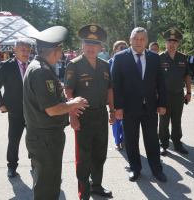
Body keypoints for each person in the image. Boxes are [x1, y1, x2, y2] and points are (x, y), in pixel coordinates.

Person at [24, 26, 89, 200]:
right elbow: (52, 109)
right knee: (48, 186)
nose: (61, 56)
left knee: (47, 181)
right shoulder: (41, 71)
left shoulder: (38, 67)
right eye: (60, 52)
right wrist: (73, 103)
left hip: (43, 136)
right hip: (46, 137)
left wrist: (69, 105)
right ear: (56, 51)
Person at [64, 24, 115, 200]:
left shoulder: (105, 65)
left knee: (100, 154)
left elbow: (110, 90)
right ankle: (84, 191)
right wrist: (72, 115)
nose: (91, 48)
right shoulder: (74, 65)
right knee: (84, 156)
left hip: (101, 115)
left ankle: (96, 186)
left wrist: (112, 110)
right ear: (83, 46)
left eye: (95, 45)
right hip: (83, 117)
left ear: (100, 48)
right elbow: (68, 92)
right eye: (87, 44)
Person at [111, 27, 167, 182]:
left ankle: (157, 170)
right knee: (131, 140)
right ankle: (135, 168)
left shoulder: (155, 58)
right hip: (128, 107)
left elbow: (161, 83)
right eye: (136, 38)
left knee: (152, 141)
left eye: (142, 39)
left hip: (150, 107)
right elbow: (115, 85)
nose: (139, 41)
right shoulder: (120, 57)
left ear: (147, 41)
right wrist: (118, 107)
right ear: (130, 39)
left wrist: (162, 103)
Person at [0, 38, 32, 178]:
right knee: (14, 140)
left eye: (28, 50)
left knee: (33, 138)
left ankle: (35, 163)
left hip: (33, 111)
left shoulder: (34, 65)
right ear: (15, 50)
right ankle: (12, 166)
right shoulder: (6, 66)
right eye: (23, 50)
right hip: (15, 111)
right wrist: (0, 105)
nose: (26, 53)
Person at [158, 29, 191, 156]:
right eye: (169, 42)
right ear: (165, 43)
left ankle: (177, 143)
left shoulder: (182, 58)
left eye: (175, 42)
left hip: (178, 95)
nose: (172, 44)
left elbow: (187, 76)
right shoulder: (160, 58)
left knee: (177, 120)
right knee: (164, 121)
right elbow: (156, 79)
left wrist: (188, 93)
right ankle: (164, 144)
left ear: (178, 44)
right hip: (164, 96)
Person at [108, 40, 128, 150]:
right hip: (114, 96)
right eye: (121, 48)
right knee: (116, 120)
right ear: (115, 50)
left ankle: (124, 140)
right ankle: (117, 141)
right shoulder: (108, 63)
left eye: (125, 48)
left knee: (126, 119)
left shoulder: (130, 62)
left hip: (126, 96)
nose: (123, 50)